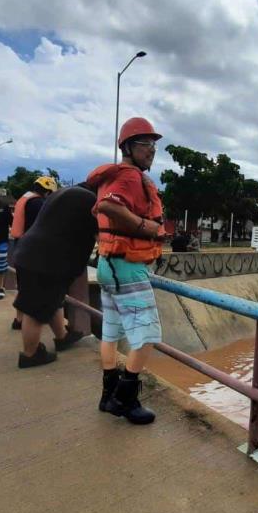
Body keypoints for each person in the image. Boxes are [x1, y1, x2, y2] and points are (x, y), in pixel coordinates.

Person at [86, 117, 167, 426]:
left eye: (154, 145)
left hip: (108, 265)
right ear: (128, 147)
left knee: (111, 330)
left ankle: (108, 395)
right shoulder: (131, 177)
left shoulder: (112, 176)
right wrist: (147, 227)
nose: (152, 151)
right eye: (146, 144)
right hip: (127, 266)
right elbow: (108, 206)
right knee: (147, 334)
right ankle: (125, 397)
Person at [11, 184, 97, 368]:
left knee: (52, 300)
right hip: (46, 261)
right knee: (34, 310)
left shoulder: (64, 193)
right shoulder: (92, 201)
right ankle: (30, 354)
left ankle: (62, 337)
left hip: (29, 252)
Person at [9, 176, 58, 329]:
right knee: (35, 288)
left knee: (23, 286)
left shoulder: (25, 198)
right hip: (31, 250)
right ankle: (32, 322)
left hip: (19, 246)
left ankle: (18, 319)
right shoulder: (38, 203)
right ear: (48, 192)